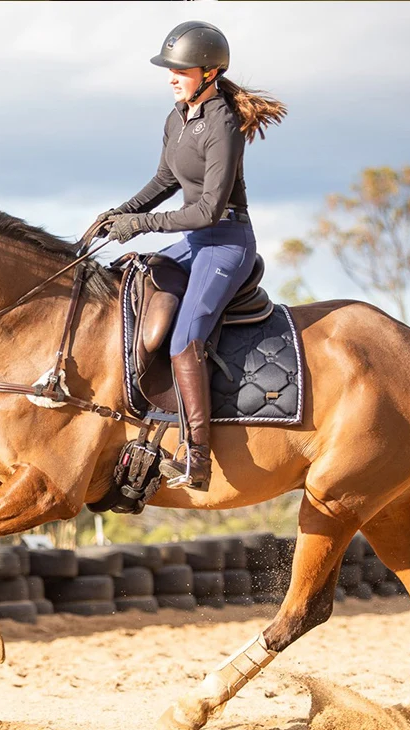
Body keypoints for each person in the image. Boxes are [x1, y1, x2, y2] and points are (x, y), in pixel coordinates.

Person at [92, 20, 286, 491]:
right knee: (128, 280)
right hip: (194, 241)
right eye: (170, 69)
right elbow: (164, 182)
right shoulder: (177, 116)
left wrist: (139, 225)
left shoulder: (223, 123)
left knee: (184, 339)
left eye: (180, 70)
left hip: (226, 243)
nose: (172, 77)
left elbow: (206, 210)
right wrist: (119, 213)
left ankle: (197, 457)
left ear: (209, 72)